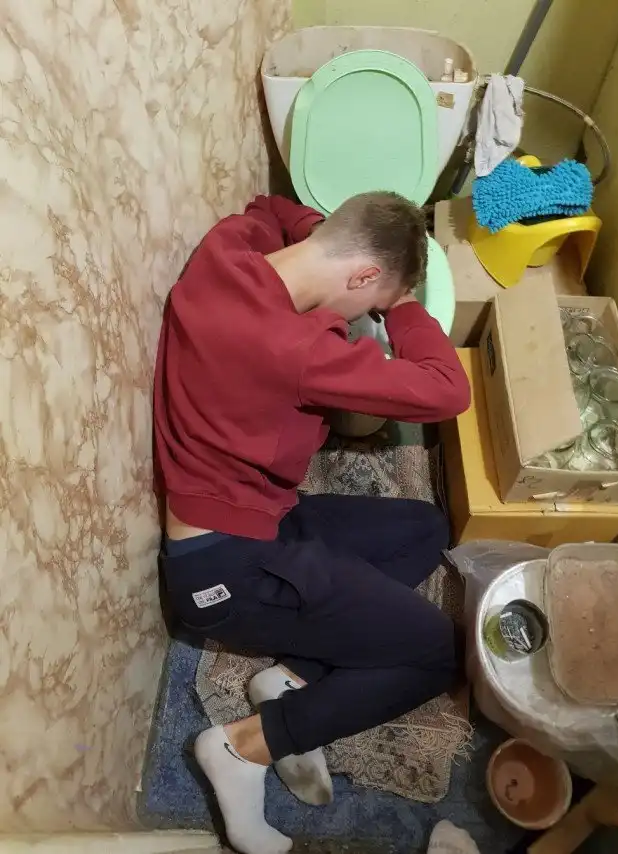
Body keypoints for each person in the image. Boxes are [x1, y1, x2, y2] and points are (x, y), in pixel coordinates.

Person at [153, 192, 470, 854]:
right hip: (224, 573)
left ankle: (291, 676)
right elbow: (447, 390)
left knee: (423, 530)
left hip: (261, 515)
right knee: (436, 652)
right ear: (363, 276)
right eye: (373, 303)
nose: (367, 318)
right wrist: (404, 303)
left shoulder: (228, 249)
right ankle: (243, 748)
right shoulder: (301, 351)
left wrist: (344, 243)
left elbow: (273, 206)